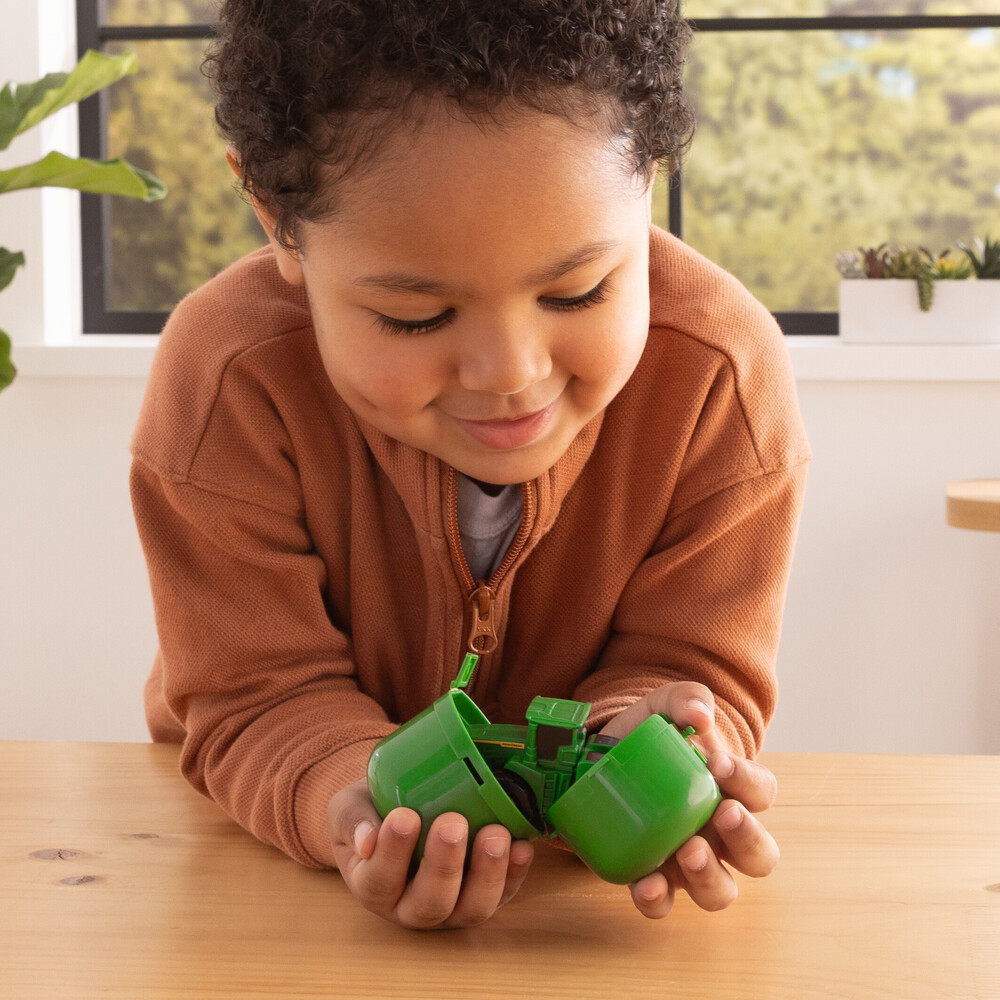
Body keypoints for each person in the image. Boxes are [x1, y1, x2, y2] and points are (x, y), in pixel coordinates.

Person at [131, 0, 810, 930]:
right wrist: (350, 803)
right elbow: (256, 692)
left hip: (573, 924)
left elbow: (695, 659)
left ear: (649, 174)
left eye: (578, 291)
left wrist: (667, 739)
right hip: (255, 888)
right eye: (416, 317)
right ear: (279, 220)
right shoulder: (228, 382)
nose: (512, 377)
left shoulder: (718, 378)